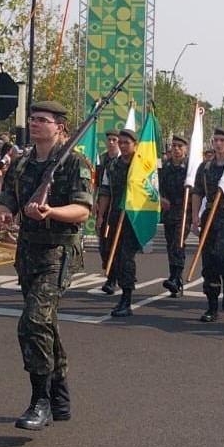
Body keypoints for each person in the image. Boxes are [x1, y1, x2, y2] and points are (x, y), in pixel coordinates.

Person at [0, 100, 92, 433]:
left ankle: (39, 400)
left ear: (59, 127)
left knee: (33, 321)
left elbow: (82, 210)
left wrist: (51, 212)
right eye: (32, 119)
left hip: (58, 252)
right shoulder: (22, 162)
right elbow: (8, 197)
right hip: (28, 253)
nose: (34, 123)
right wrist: (4, 210)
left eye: (42, 120)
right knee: (46, 324)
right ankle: (60, 394)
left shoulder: (74, 163)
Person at [192, 126, 224, 322]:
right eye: (216, 140)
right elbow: (197, 193)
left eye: (223, 140)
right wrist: (195, 216)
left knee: (223, 256)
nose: (218, 144)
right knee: (209, 262)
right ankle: (212, 306)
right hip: (210, 216)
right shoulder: (205, 168)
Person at [95, 128, 142, 316]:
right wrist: (101, 215)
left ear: (135, 145)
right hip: (115, 216)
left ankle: (126, 298)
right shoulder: (112, 166)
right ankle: (119, 287)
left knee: (126, 257)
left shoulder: (141, 167)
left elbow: (150, 190)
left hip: (133, 217)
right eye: (120, 143)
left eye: (126, 143)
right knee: (111, 253)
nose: (122, 146)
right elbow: (105, 191)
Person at [158, 134, 189, 297]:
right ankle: (177, 281)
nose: (176, 149)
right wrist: (160, 198)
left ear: (185, 149)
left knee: (178, 244)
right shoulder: (165, 167)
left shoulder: (191, 167)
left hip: (185, 212)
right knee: (171, 247)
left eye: (180, 146)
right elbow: (158, 187)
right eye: (174, 146)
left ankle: (175, 277)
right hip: (169, 212)